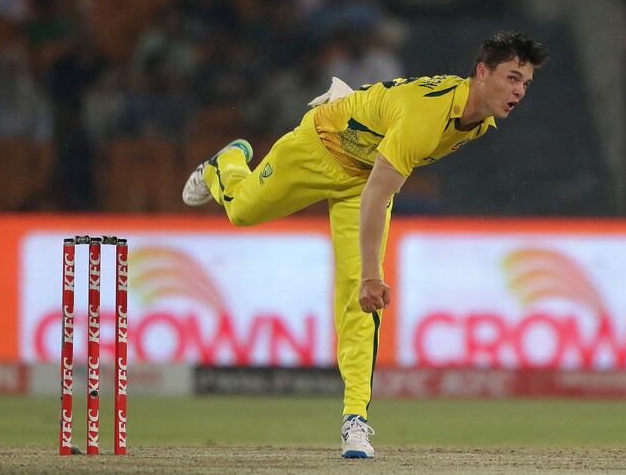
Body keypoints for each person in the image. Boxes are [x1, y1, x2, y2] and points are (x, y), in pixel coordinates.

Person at [182, 30, 549, 458]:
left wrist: (367, 280)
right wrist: (373, 274)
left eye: (525, 82)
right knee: (242, 212)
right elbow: (383, 189)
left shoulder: (480, 121)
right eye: (511, 78)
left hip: (362, 180)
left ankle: (355, 420)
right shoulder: (428, 117)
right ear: (482, 72)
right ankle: (226, 161)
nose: (519, 91)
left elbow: (376, 178)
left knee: (361, 302)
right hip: (318, 147)